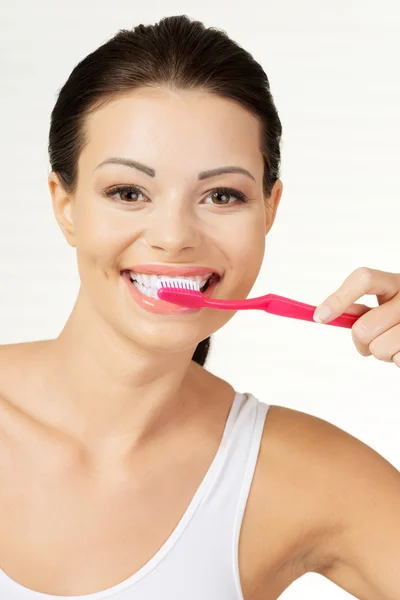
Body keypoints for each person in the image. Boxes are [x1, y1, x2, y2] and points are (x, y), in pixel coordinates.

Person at [0, 14, 399, 600]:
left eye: (221, 196)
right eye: (128, 192)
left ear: (269, 210)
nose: (174, 236)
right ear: (65, 206)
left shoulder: (313, 478)